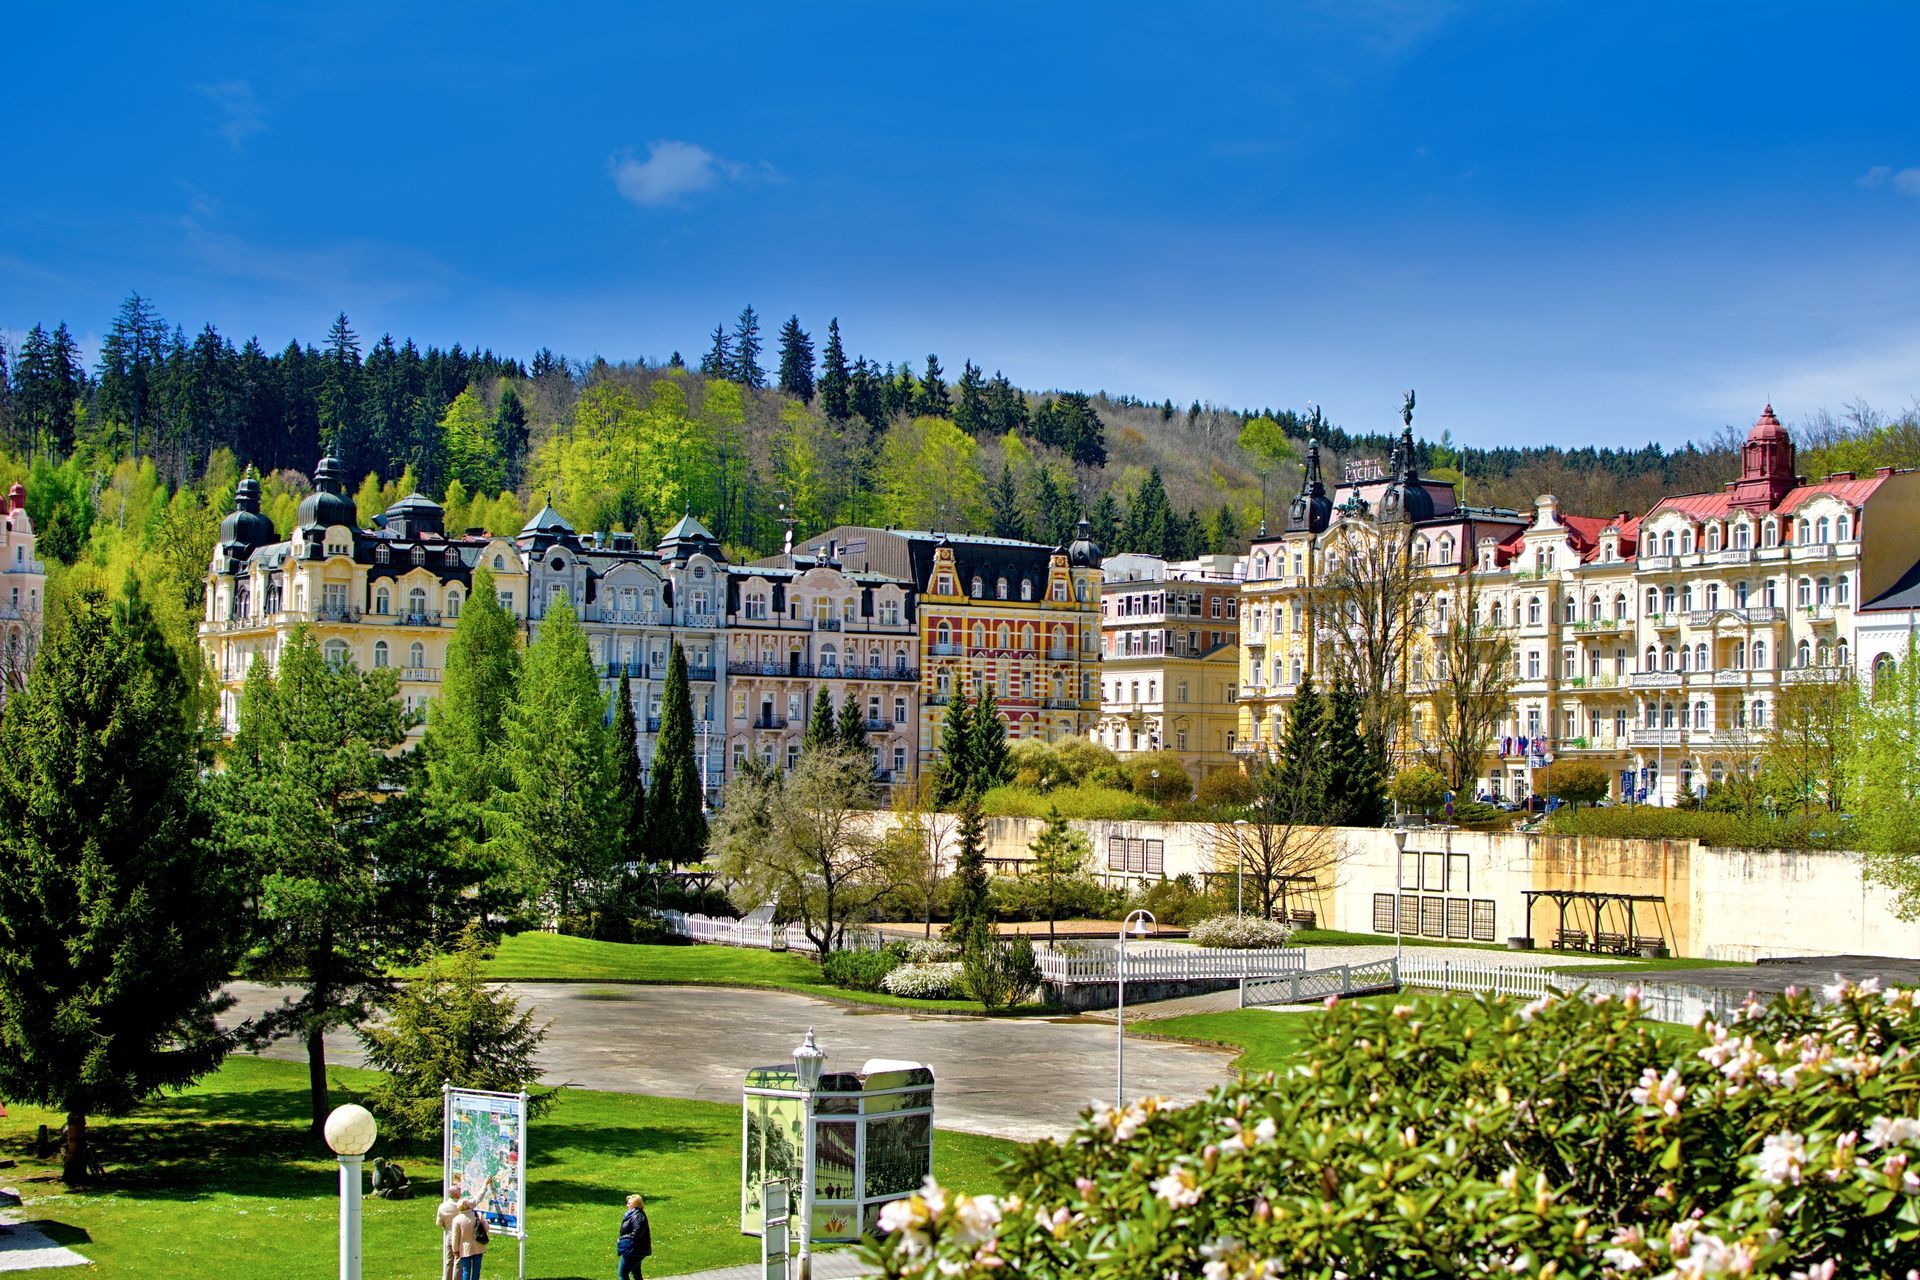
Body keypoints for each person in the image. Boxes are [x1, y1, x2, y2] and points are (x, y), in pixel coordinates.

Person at [452, 1196, 489, 1280]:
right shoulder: (477, 1215)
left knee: (466, 1271)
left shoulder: (457, 1220)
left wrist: (455, 1250)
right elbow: (487, 1229)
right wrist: (484, 1220)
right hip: (478, 1245)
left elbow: (455, 1237)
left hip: (465, 1248)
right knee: (476, 1270)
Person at [617, 1193, 652, 1280]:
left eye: (629, 1203)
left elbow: (636, 1233)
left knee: (622, 1273)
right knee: (636, 1273)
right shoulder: (634, 1214)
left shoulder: (637, 1216)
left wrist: (622, 1238)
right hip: (635, 1249)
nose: (627, 1205)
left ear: (635, 1205)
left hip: (633, 1250)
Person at [436, 1189, 463, 1280]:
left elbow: (439, 1223)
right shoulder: (460, 1206)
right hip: (460, 1237)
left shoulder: (442, 1206)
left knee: (449, 1261)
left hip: (449, 1236)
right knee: (458, 1262)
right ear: (456, 1194)